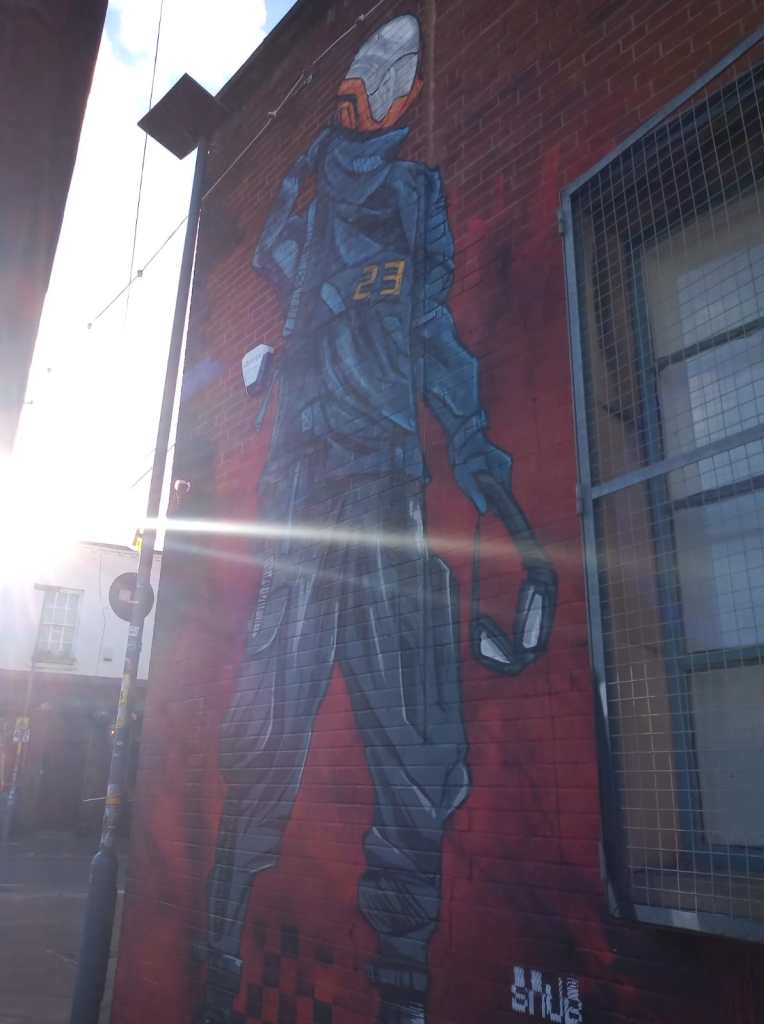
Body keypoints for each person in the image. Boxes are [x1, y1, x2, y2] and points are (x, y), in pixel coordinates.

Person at [199, 15, 513, 1024]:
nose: (371, 81)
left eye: (391, 70)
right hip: (301, 509)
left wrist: (481, 459)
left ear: (409, 94)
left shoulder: (416, 197)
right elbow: (273, 253)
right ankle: (214, 966)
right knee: (259, 747)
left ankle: (404, 994)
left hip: (382, 496)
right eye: (363, 66)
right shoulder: (302, 200)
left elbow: (433, 333)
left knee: (418, 759)